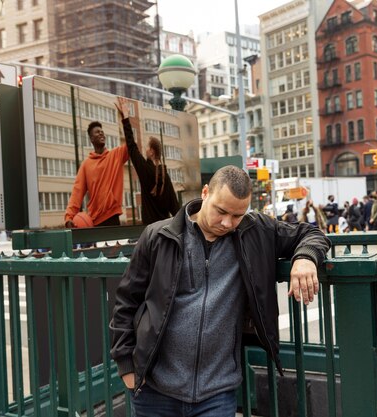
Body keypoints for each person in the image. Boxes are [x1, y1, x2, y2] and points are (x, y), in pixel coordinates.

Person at [109, 165, 330, 417]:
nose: (227, 223)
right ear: (205, 193)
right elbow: (126, 303)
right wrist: (126, 367)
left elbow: (312, 233)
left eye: (237, 215)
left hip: (216, 394)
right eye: (221, 211)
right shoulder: (158, 236)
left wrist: (305, 258)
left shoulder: (254, 230)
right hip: (155, 390)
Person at [116, 97, 180, 225]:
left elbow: (131, 146)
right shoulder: (165, 176)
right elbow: (175, 208)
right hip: (166, 229)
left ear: (151, 151)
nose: (144, 149)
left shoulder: (145, 169)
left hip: (150, 230)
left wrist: (126, 118)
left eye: (146, 147)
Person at [64, 118, 130, 228]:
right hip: (94, 221)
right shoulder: (86, 165)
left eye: (102, 132)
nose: (101, 133)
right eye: (97, 132)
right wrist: (69, 217)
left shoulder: (116, 155)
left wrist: (125, 119)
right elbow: (77, 192)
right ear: (91, 139)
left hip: (112, 217)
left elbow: (131, 144)